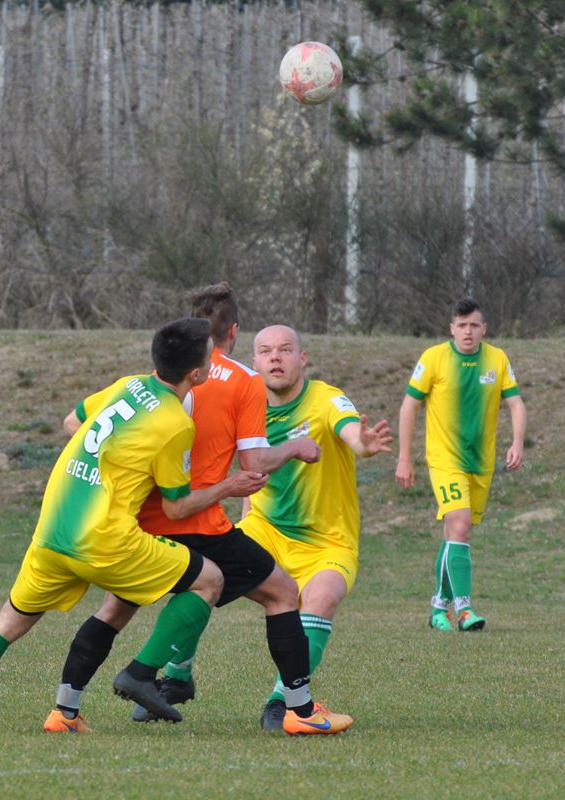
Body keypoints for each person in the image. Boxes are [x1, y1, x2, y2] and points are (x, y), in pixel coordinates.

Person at [0, 317, 265, 732]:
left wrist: (110, 463)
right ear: (197, 373)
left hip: (53, 530)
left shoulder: (127, 385)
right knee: (208, 579)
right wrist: (229, 486)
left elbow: (73, 421)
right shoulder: (175, 423)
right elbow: (176, 509)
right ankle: (141, 674)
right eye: (210, 357)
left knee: (8, 621)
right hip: (103, 539)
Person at [49, 284, 352, 737]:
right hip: (198, 518)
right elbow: (254, 463)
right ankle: (301, 711)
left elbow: (76, 424)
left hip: (142, 520)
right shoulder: (243, 382)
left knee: (117, 606)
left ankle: (65, 711)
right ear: (231, 331)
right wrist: (294, 447)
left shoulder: (154, 378)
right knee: (282, 594)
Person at [237, 324, 393, 731]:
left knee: (320, 597)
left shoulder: (326, 398)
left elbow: (351, 432)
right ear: (254, 362)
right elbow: (245, 463)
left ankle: (283, 703)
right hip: (265, 531)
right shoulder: (245, 404)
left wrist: (364, 443)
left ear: (302, 358)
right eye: (266, 351)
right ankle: (171, 677)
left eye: (286, 350)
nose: (276, 357)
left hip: (328, 542)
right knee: (204, 571)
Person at [395, 298, 526, 632]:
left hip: (480, 462)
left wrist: (517, 442)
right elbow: (410, 406)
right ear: (452, 328)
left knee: (455, 532)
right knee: (461, 525)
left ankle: (438, 608)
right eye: (462, 325)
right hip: (445, 459)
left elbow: (516, 403)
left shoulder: (497, 359)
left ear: (484, 329)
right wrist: (405, 458)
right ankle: (464, 609)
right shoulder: (434, 358)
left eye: (474, 325)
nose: (468, 332)